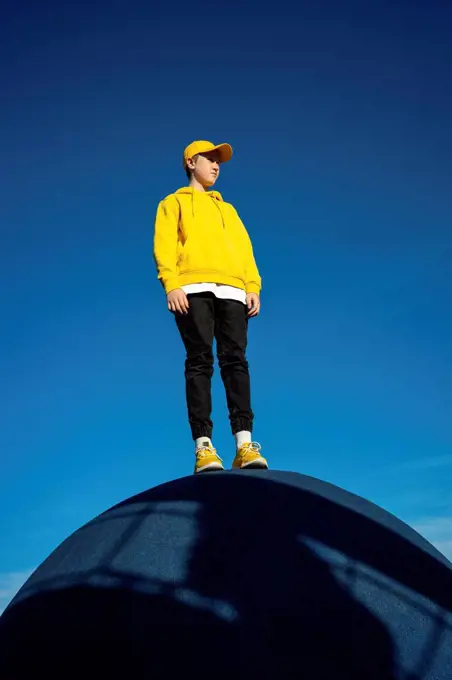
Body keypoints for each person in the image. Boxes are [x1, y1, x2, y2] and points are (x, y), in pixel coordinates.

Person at [153, 140, 268, 474]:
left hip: (233, 289)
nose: (217, 166)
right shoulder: (172, 203)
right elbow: (163, 245)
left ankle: (244, 445)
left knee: (236, 361)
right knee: (200, 361)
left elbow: (245, 249)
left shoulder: (228, 209)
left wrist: (252, 286)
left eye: (220, 161)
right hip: (191, 288)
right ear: (191, 162)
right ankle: (204, 448)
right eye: (210, 159)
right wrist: (171, 283)